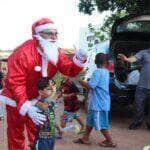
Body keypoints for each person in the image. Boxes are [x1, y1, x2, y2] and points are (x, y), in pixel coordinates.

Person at [0, 18, 87, 150]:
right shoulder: (23, 53)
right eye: (49, 33)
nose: (54, 37)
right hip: (15, 99)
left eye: (55, 34)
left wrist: (80, 59)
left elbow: (69, 69)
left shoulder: (55, 52)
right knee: (16, 133)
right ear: (38, 34)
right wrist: (27, 107)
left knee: (36, 131)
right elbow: (16, 83)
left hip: (36, 98)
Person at [74, 53, 116, 148]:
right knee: (90, 121)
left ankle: (110, 141)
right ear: (105, 62)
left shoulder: (97, 72)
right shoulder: (105, 72)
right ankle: (85, 138)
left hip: (99, 104)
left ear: (95, 61)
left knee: (100, 123)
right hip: (99, 102)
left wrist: (81, 81)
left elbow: (91, 86)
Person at [118, 50, 150, 130]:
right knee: (138, 106)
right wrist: (126, 59)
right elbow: (134, 58)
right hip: (142, 86)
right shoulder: (144, 53)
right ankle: (137, 122)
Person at [34, 77, 61, 150]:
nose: (52, 90)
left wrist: (56, 126)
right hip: (42, 139)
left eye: (52, 88)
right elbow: (45, 106)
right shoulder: (38, 102)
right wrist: (54, 92)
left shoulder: (50, 103)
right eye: (49, 89)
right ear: (40, 92)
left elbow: (50, 116)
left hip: (51, 136)